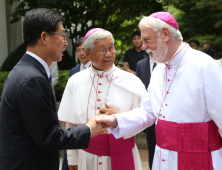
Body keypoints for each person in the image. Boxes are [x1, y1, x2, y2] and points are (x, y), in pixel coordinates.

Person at [96, 12, 222, 170]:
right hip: (163, 158)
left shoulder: (205, 66)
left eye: (147, 40)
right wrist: (116, 120)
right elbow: (149, 111)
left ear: (165, 34)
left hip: (199, 159)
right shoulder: (159, 69)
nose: (143, 46)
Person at [0, 8, 106, 170]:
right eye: (62, 36)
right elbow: (49, 138)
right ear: (44, 37)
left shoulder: (26, 70)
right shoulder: (32, 79)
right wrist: (89, 129)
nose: (65, 42)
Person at [58, 28, 145, 170]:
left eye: (111, 48)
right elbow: (71, 123)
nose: (109, 54)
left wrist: (121, 118)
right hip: (87, 156)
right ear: (87, 53)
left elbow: (145, 117)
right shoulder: (75, 81)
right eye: (103, 50)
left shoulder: (131, 81)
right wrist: (72, 157)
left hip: (123, 153)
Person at [61, 37, 91, 170]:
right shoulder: (74, 71)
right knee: (72, 150)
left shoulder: (97, 68)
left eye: (84, 49)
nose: (82, 53)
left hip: (89, 114)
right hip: (75, 115)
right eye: (78, 50)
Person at [136, 57, 156, 169]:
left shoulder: (165, 63)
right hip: (148, 112)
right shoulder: (140, 64)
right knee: (151, 146)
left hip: (165, 115)